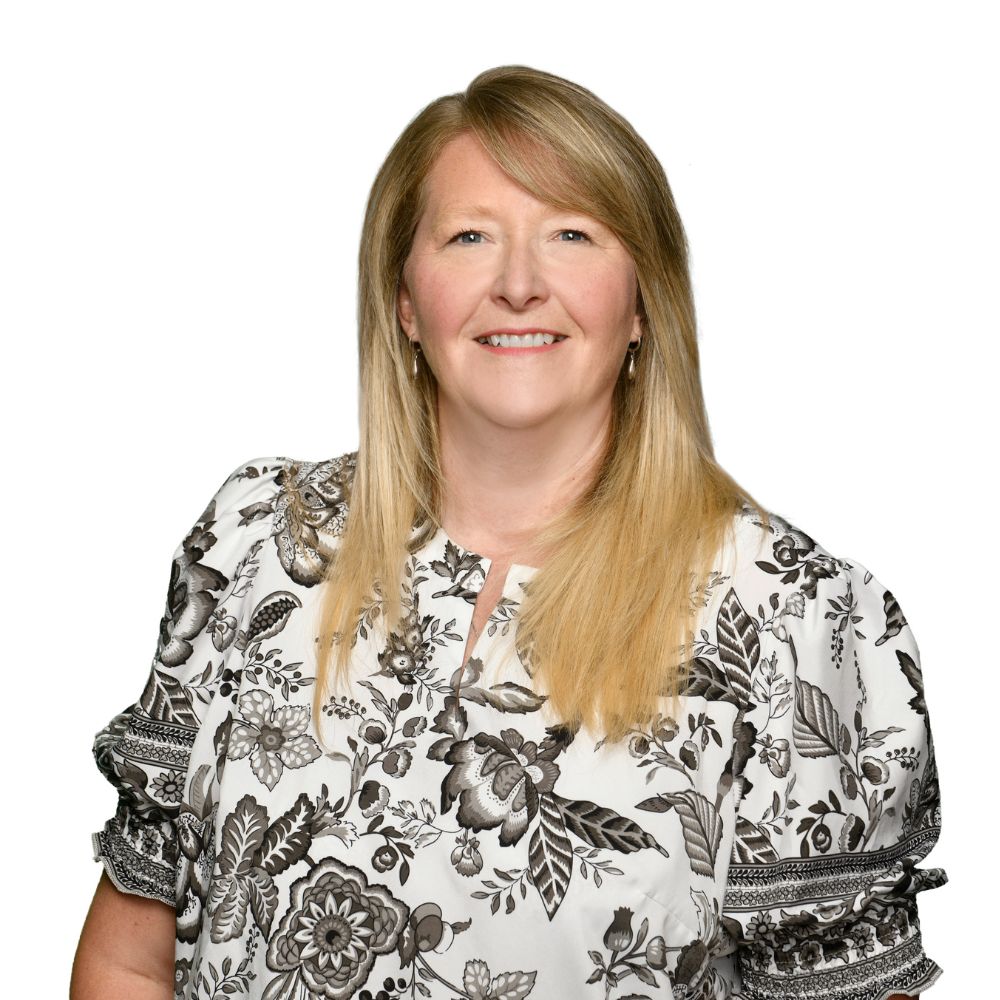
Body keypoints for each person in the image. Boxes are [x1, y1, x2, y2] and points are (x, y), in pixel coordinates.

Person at [71, 65, 946, 1000]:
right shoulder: (258, 548)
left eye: (571, 234)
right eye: (469, 237)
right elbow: (130, 961)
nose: (519, 283)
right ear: (405, 300)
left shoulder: (792, 621)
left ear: (643, 300)